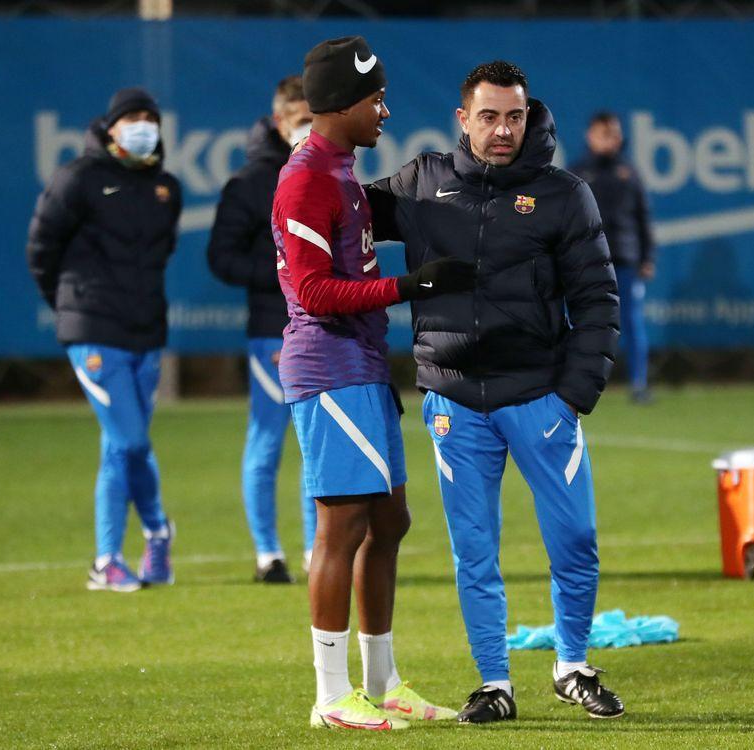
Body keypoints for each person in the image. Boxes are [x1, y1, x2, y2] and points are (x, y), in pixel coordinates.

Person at [366, 61, 624, 723]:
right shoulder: (423, 182)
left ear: (528, 115)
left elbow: (598, 299)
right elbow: (341, 210)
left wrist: (573, 395)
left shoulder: (564, 194)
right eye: (489, 116)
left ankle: (572, 666)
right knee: (473, 550)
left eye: (515, 115)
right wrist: (301, 164)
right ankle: (495, 683)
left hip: (541, 398)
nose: (503, 129)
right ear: (463, 119)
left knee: (575, 538)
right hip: (455, 402)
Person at [272, 36, 472, 731]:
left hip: (360, 363)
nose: (385, 110)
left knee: (389, 519)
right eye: (375, 99)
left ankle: (382, 683)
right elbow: (312, 290)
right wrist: (406, 286)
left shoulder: (341, 168)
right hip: (328, 367)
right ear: (342, 104)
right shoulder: (304, 177)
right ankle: (331, 697)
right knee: (342, 526)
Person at [26, 87, 181, 592]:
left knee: (123, 447)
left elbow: (161, 256)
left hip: (145, 330)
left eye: (150, 118)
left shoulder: (165, 187)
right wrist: (71, 305)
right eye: (133, 118)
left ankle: (134, 547)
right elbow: (41, 247)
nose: (143, 126)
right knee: (129, 439)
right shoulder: (78, 178)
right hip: (94, 329)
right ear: (109, 126)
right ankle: (130, 547)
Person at [207, 76, 316, 584]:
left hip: (321, 327)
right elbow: (221, 257)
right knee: (269, 440)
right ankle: (268, 554)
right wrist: (282, 271)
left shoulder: (330, 174)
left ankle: (320, 551)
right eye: (299, 119)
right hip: (274, 329)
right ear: (279, 121)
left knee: (318, 443)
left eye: (314, 117)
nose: (308, 127)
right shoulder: (251, 184)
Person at [570, 111, 655, 403]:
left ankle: (639, 385)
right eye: (604, 133)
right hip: (587, 261)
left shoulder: (629, 172)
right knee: (583, 323)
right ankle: (578, 384)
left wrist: (647, 256)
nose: (611, 139)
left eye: (614, 133)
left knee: (631, 322)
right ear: (590, 136)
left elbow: (643, 218)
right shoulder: (577, 172)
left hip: (625, 259)